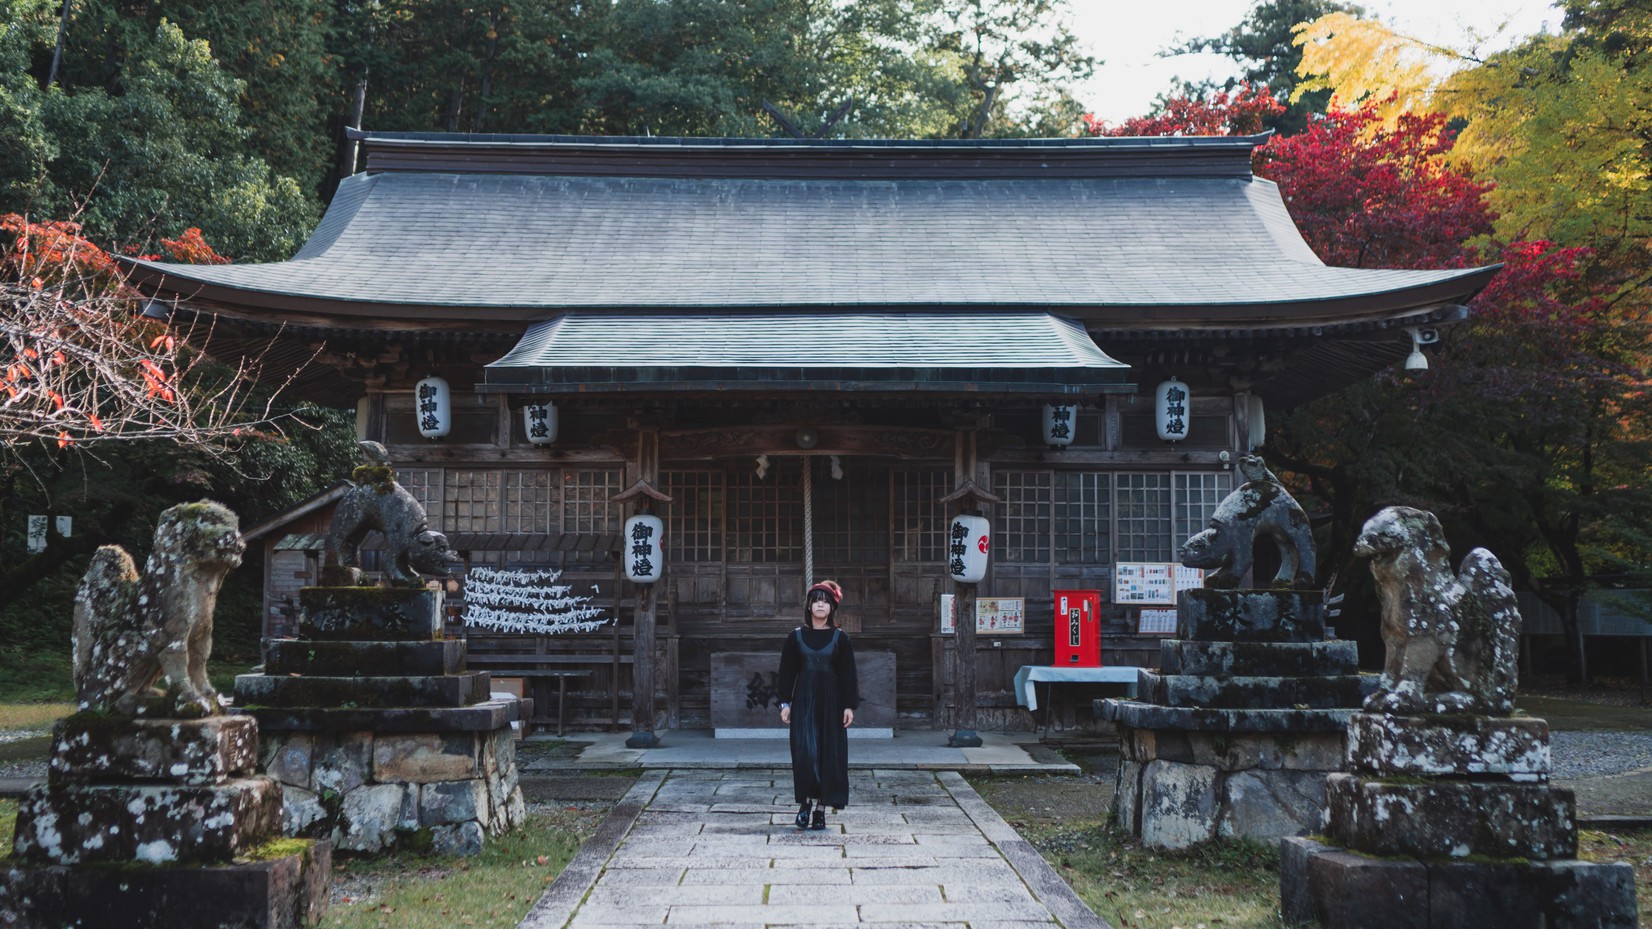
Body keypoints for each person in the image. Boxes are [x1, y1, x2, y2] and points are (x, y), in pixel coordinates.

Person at [776, 579, 858, 831]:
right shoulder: (796, 637)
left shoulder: (840, 638)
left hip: (832, 704)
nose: (820, 605)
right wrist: (784, 703)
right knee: (806, 753)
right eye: (816, 600)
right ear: (809, 606)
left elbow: (848, 674)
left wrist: (848, 705)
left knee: (830, 756)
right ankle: (806, 804)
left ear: (832, 607)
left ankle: (821, 808)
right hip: (804, 703)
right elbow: (786, 673)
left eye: (825, 601)